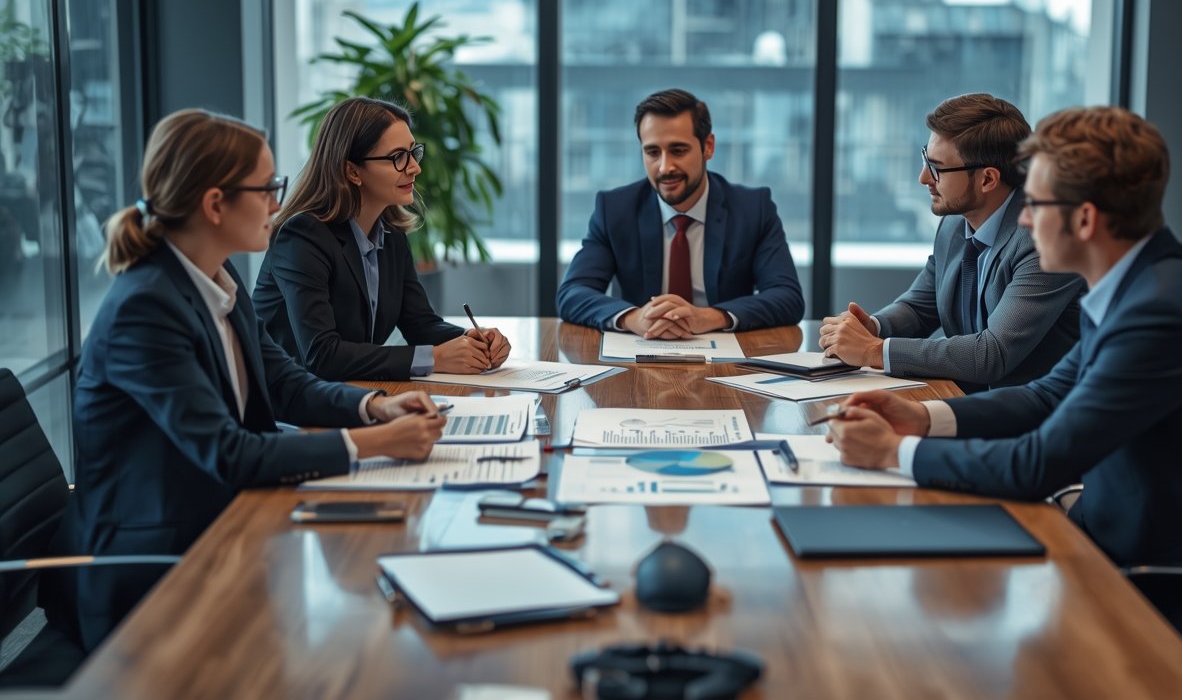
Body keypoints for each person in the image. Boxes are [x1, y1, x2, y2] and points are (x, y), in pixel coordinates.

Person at [827, 106, 1182, 693]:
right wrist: (923, 417)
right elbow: (1045, 395)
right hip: (1123, 536)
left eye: (1035, 205)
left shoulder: (1160, 313)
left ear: (1084, 218)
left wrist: (892, 454)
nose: (1025, 222)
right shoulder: (1136, 283)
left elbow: (1040, 460)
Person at [51, 109, 446, 651]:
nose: (278, 204)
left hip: (223, 528)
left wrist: (374, 407)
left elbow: (286, 381)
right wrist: (372, 444)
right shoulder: (145, 308)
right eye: (266, 188)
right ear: (215, 204)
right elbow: (228, 453)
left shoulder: (217, 274)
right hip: (155, 571)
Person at [818, 93, 1083, 391]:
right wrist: (873, 327)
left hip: (1033, 416)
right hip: (967, 399)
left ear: (987, 180)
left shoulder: (1043, 240)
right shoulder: (954, 224)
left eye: (937, 168)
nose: (923, 178)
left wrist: (874, 350)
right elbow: (921, 306)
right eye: (924, 160)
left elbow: (991, 354)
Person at [253, 97, 509, 381]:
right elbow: (322, 355)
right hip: (289, 409)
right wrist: (434, 359)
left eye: (414, 153)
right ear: (352, 171)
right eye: (398, 157)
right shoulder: (302, 237)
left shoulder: (391, 234)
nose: (415, 167)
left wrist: (473, 340)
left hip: (349, 393)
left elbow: (419, 323)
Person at [557, 88, 804, 337]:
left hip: (727, 362)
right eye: (653, 152)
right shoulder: (615, 210)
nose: (665, 167)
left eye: (678, 150)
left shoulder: (753, 209)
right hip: (638, 357)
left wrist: (709, 316)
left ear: (708, 146)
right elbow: (572, 293)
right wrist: (634, 318)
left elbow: (787, 297)